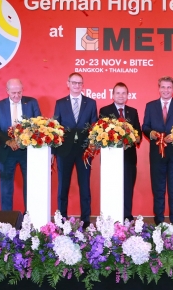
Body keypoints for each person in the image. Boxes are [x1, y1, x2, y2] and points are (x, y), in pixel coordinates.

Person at [142, 76, 173, 227]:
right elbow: (145, 126)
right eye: (163, 87)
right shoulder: (150, 106)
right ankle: (159, 222)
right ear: (159, 88)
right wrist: (151, 133)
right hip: (157, 154)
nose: (166, 90)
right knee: (158, 190)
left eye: (169, 87)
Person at [53, 72, 97, 226]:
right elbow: (55, 128)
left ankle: (86, 220)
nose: (77, 86)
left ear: (83, 85)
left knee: (85, 186)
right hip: (64, 151)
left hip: (84, 151)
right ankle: (61, 220)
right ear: (68, 84)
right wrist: (53, 152)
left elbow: (94, 127)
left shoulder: (91, 103)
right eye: (74, 83)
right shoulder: (60, 103)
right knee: (63, 187)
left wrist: (92, 147)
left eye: (79, 83)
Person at [0, 78, 42, 211]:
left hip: (28, 151)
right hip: (6, 151)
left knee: (31, 186)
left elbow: (39, 126)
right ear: (7, 91)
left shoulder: (32, 103)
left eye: (19, 92)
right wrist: (8, 141)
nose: (16, 95)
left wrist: (25, 140)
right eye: (13, 93)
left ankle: (30, 217)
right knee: (6, 188)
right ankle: (7, 219)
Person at [99, 82, 142, 222]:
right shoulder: (104, 111)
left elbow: (139, 133)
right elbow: (101, 133)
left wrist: (133, 138)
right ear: (112, 95)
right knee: (111, 188)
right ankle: (110, 217)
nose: (121, 96)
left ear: (128, 95)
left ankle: (127, 216)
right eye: (118, 93)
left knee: (127, 187)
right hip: (110, 157)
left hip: (129, 157)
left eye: (124, 93)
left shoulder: (133, 112)